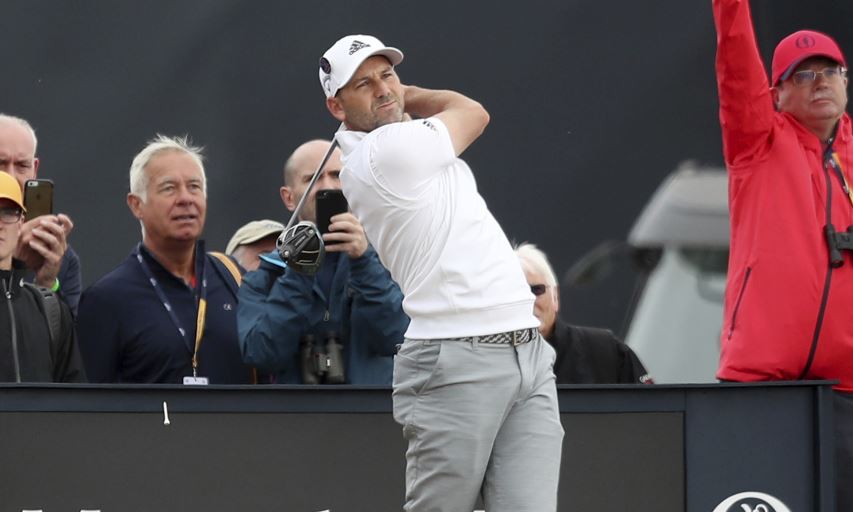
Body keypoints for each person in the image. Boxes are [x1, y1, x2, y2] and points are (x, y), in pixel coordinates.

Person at [319, 35, 563, 511]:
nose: (383, 89)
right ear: (336, 106)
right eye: (363, 84)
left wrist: (396, 97)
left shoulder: (407, 141)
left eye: (387, 75)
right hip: (456, 362)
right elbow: (473, 111)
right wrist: (410, 92)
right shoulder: (383, 152)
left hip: (526, 352)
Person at [713, 1, 853, 508]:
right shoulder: (757, 140)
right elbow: (735, 62)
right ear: (776, 93)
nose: (820, 82)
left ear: (846, 79)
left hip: (848, 388)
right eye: (803, 75)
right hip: (762, 384)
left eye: (829, 71)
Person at [76, 135, 252, 384]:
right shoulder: (106, 300)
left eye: (194, 187)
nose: (185, 198)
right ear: (136, 205)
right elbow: (91, 408)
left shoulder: (234, 280)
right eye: (169, 188)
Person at [237, 139, 408, 384]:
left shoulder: (387, 260)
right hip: (296, 418)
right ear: (289, 197)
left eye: (337, 176)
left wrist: (363, 261)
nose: (327, 187)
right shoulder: (265, 275)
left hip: (369, 417)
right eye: (312, 179)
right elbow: (261, 354)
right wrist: (299, 271)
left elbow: (398, 338)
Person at [515, 243, 652, 385]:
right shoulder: (490, 363)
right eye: (515, 294)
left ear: (555, 296)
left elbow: (654, 404)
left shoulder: (606, 353)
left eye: (536, 290)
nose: (529, 300)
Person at [0, 171, 84, 382]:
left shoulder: (50, 309)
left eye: (8, 212)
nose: (0, 223)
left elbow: (73, 400)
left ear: (21, 223)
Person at [0, 114, 82, 316]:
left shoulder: (57, 256)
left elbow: (62, 343)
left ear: (34, 170)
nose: (11, 176)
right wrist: (14, 264)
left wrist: (46, 283)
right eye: (0, 163)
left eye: (22, 166)